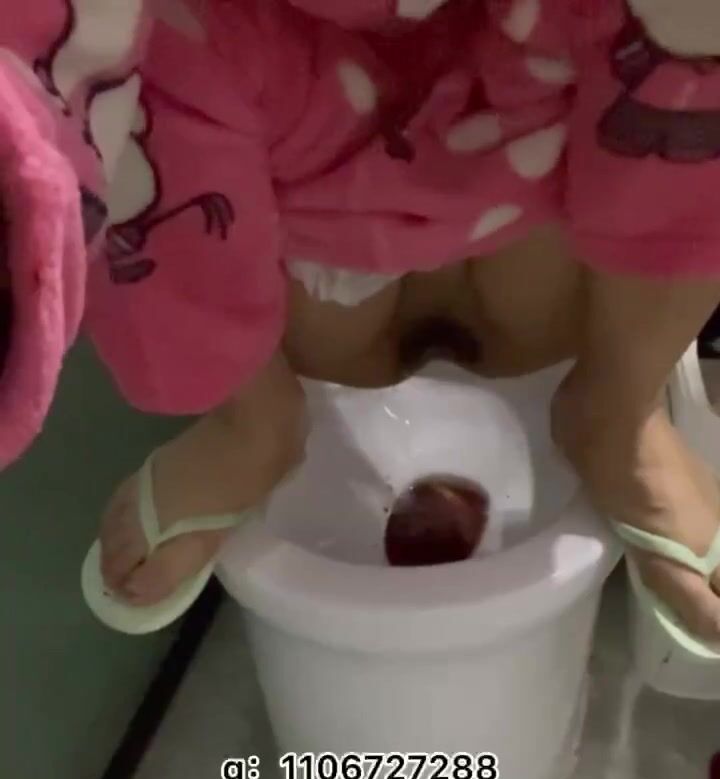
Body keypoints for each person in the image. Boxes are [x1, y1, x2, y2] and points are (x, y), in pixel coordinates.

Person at [2, 0, 720, 641]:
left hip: (557, 164)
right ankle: (252, 425)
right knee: (127, 56)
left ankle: (618, 412)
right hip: (299, 155)